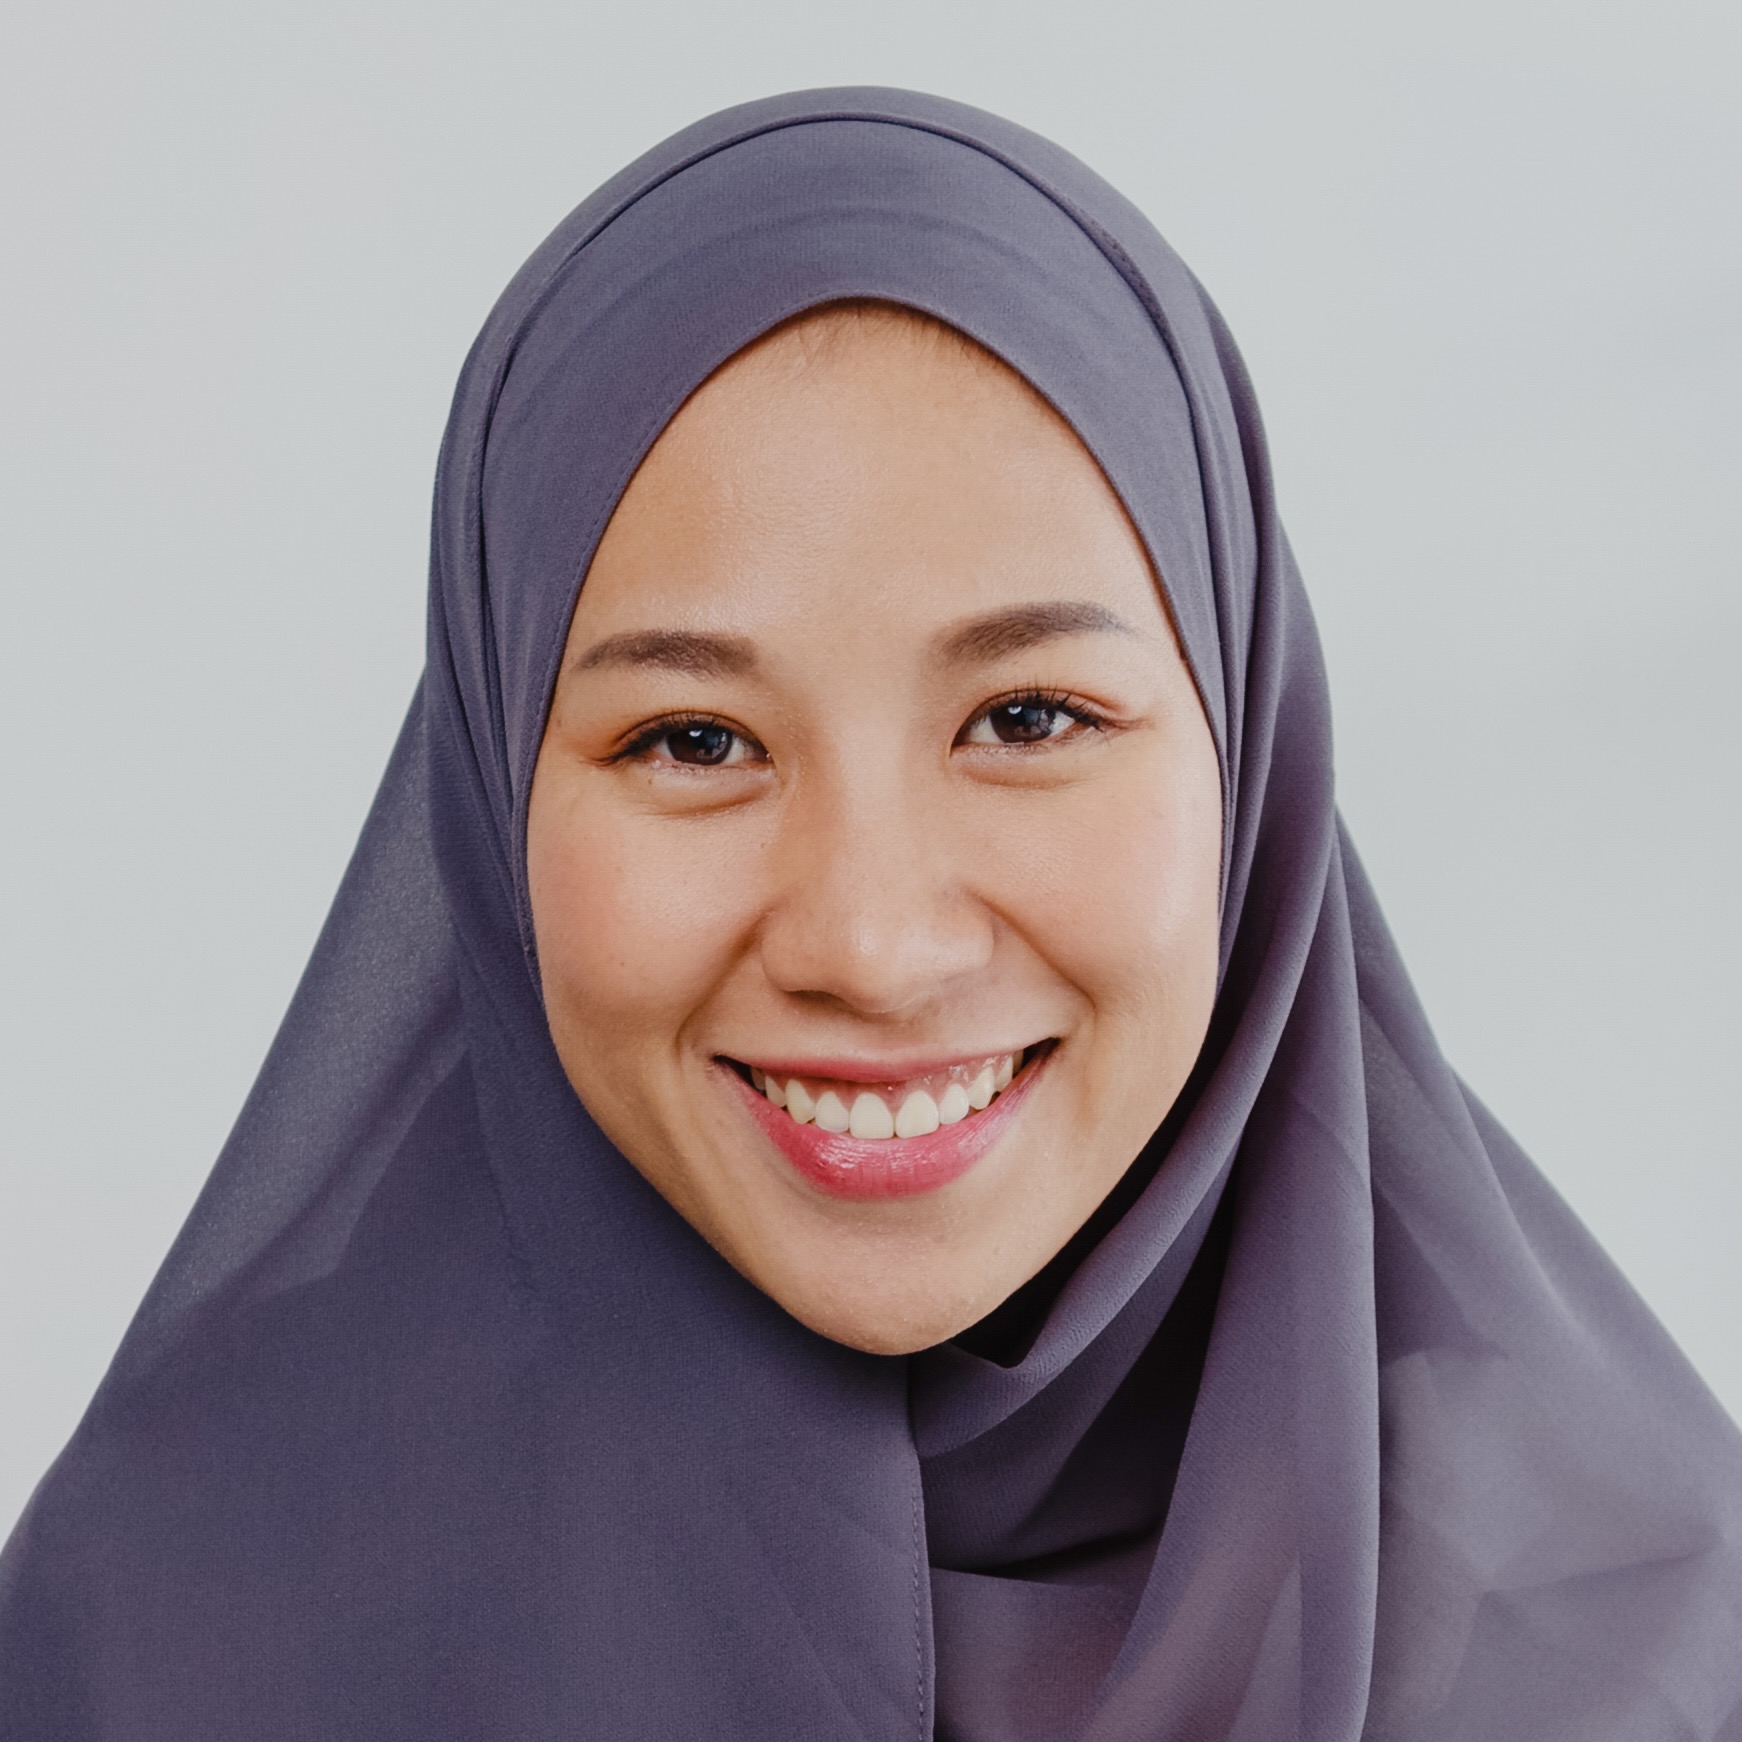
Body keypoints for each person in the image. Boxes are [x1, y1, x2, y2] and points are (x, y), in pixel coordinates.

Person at [1, 86, 1738, 1741]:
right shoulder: (166, 1647)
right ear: (490, 791)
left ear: (1249, 758)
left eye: (1028, 718)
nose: (871, 945)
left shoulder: (1647, 1664)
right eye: (694, 740)